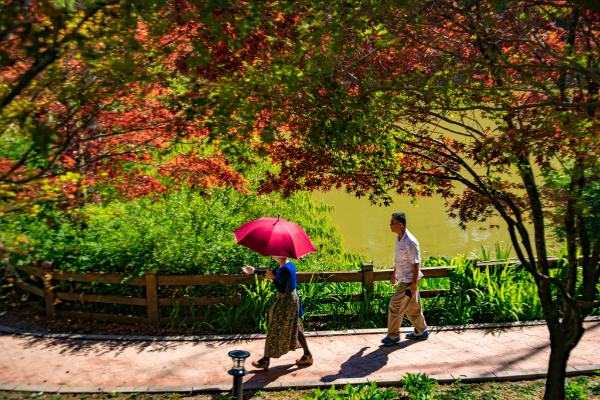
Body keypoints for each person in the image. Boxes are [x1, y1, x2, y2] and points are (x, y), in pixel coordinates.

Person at [242, 256, 313, 369]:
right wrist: (254, 271)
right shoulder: (283, 265)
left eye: (275, 253)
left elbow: (282, 288)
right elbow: (271, 273)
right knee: (295, 326)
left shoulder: (286, 269)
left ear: (281, 254)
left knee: (274, 328)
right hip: (287, 299)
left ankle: (266, 360)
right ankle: (307, 355)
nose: (272, 254)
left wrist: (273, 278)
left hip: (287, 300)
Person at [381, 212, 429, 345]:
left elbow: (416, 263)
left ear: (400, 224)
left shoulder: (410, 242)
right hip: (404, 278)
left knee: (394, 305)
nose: (390, 225)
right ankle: (421, 331)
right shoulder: (399, 238)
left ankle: (393, 335)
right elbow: (399, 258)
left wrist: (413, 284)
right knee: (412, 307)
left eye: (392, 222)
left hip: (409, 280)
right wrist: (394, 273)